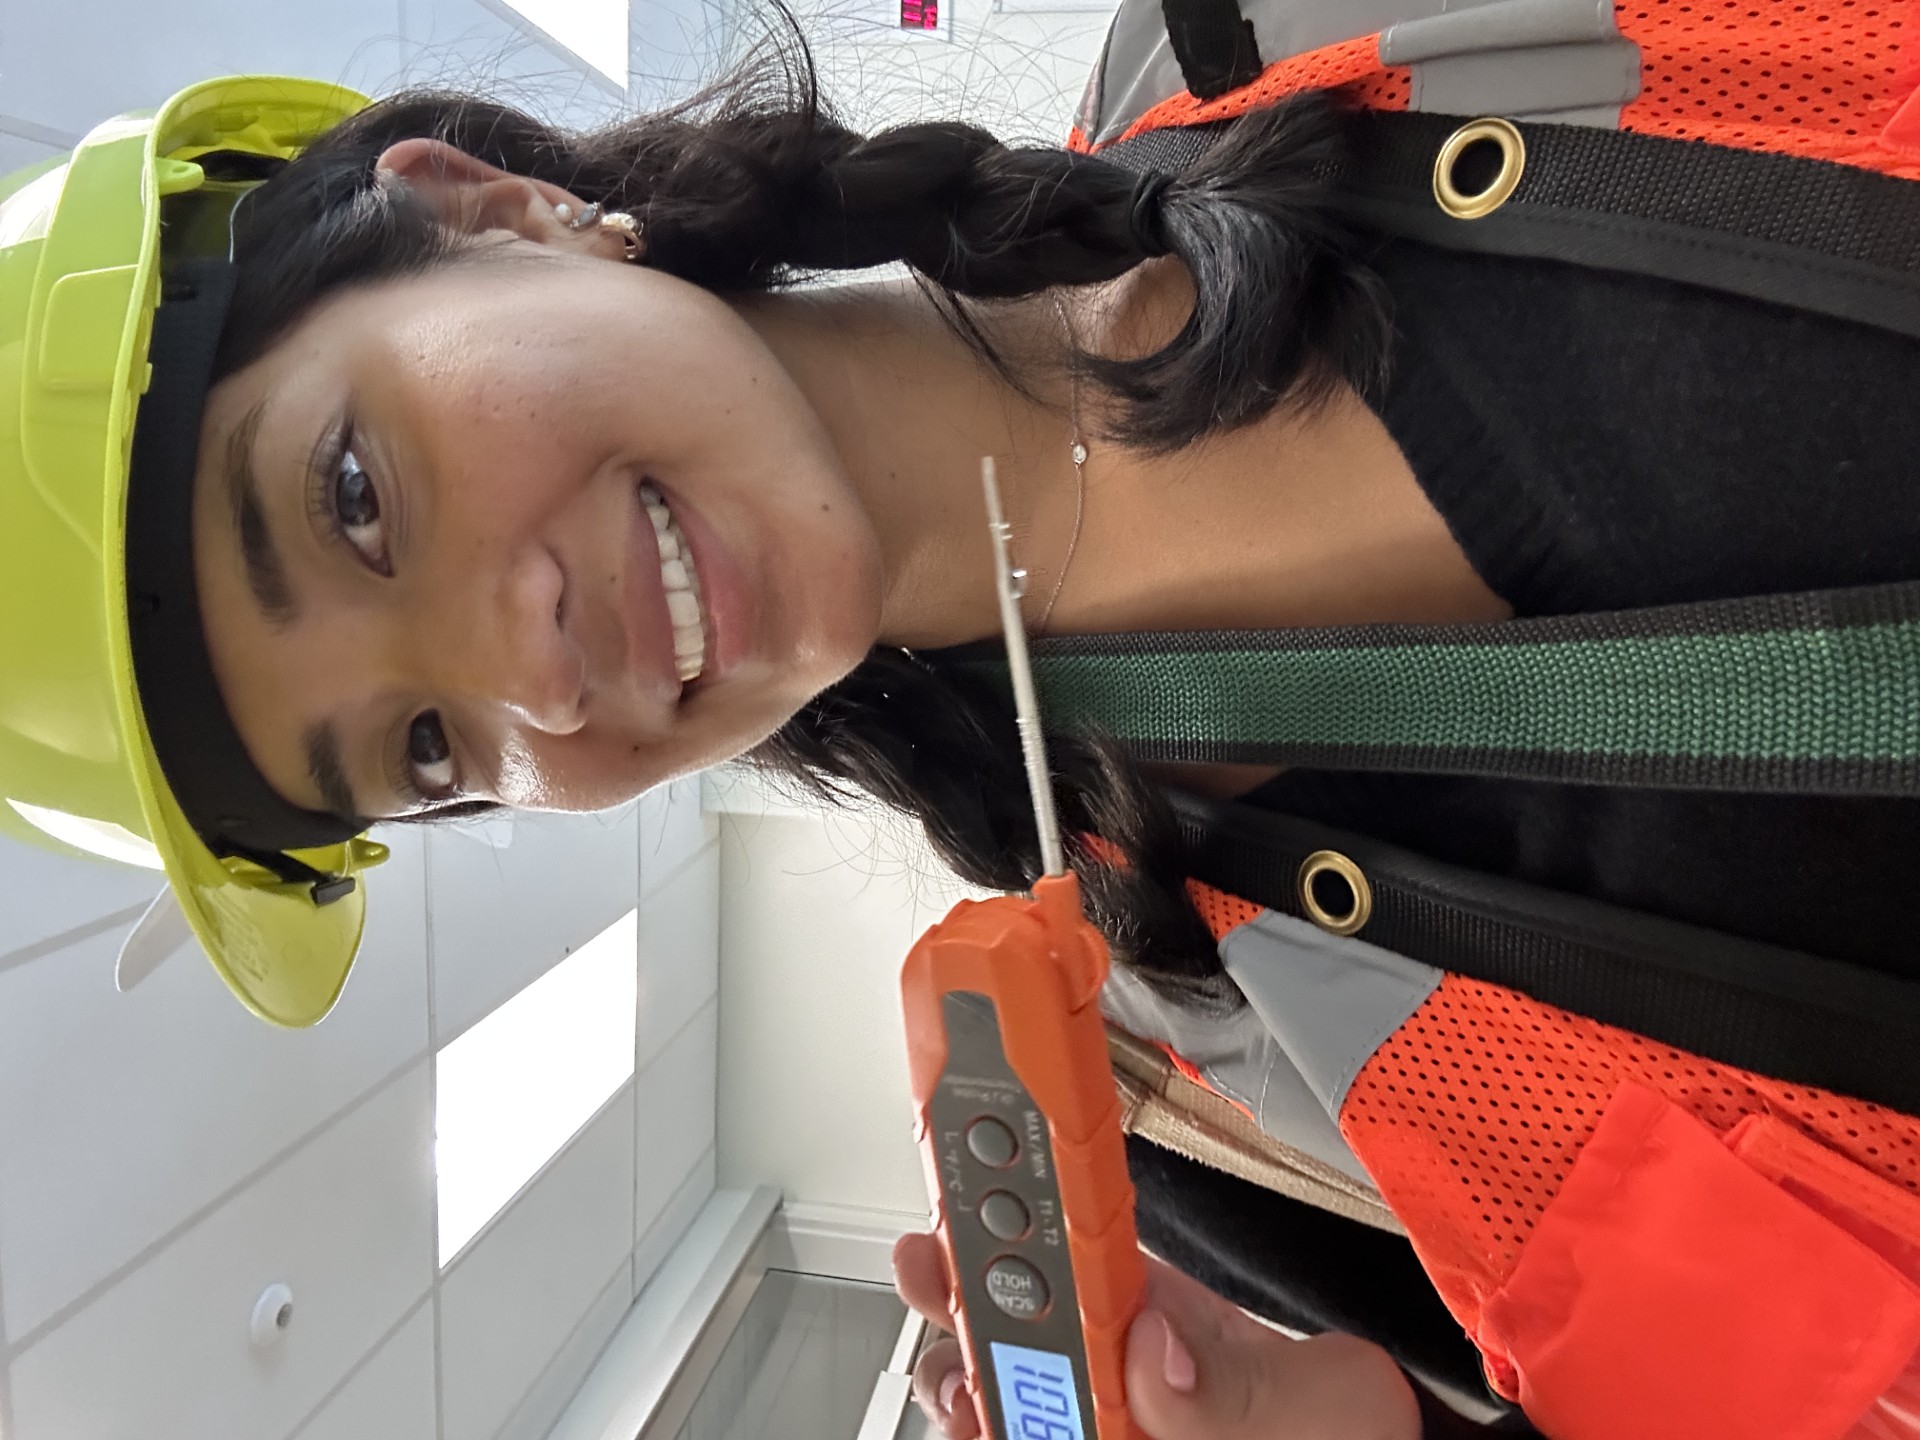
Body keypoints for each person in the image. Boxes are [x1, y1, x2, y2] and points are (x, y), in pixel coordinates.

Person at [4, 0, 1919, 1433]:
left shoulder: (1331, 33)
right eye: (427, 749)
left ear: (491, 205)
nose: (528, 678)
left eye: (353, 497)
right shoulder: (1195, 1093)